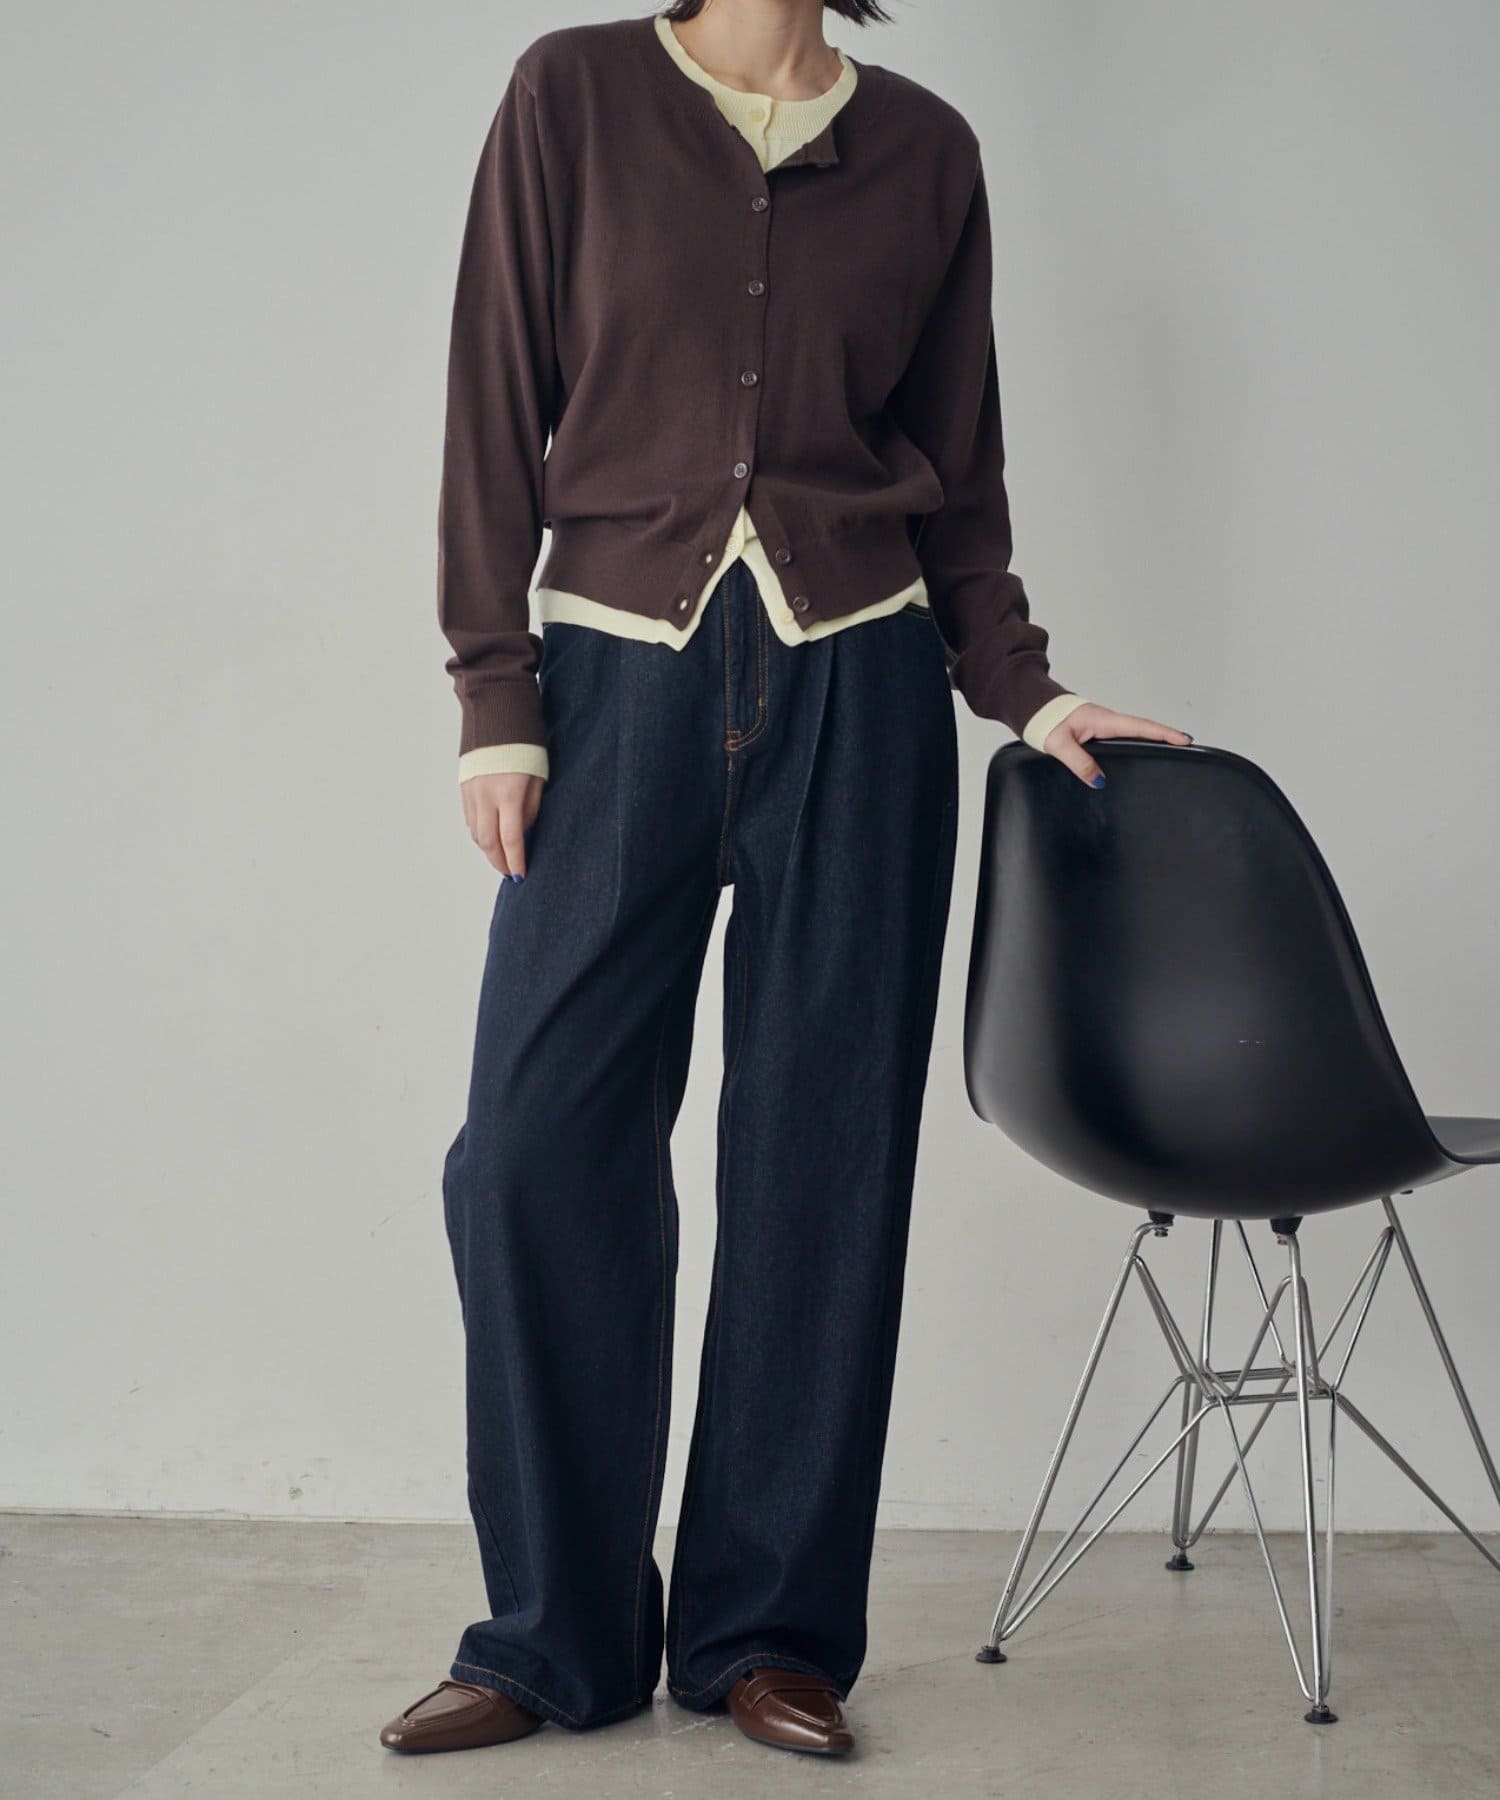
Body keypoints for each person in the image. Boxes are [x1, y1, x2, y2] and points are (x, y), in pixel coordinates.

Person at [381, 0, 1190, 1761]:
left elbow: (959, 469)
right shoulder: (573, 93)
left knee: (824, 1160)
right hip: (616, 689)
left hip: (863, 687)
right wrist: (494, 693)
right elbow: (491, 396)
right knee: (531, 1148)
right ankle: (554, 1636)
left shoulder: (925, 150)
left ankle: (770, 1633)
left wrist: (1025, 686)